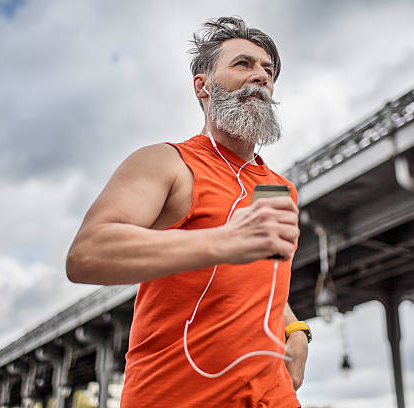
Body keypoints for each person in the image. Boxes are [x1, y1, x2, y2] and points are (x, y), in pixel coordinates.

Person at [66, 16, 309, 408]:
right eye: (243, 64)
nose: (261, 76)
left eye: (268, 70)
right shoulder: (167, 162)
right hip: (176, 396)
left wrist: (294, 328)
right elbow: (86, 255)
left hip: (272, 397)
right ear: (204, 85)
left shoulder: (278, 189)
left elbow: (263, 280)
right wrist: (221, 241)